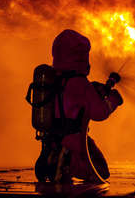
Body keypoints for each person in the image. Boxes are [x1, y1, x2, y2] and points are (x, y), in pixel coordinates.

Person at [51, 29, 123, 181]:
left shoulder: (56, 80)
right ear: (80, 57)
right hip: (76, 140)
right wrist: (114, 100)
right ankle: (66, 164)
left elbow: (73, 102)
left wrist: (94, 90)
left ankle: (59, 162)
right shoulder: (80, 83)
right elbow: (99, 112)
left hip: (55, 138)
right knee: (101, 173)